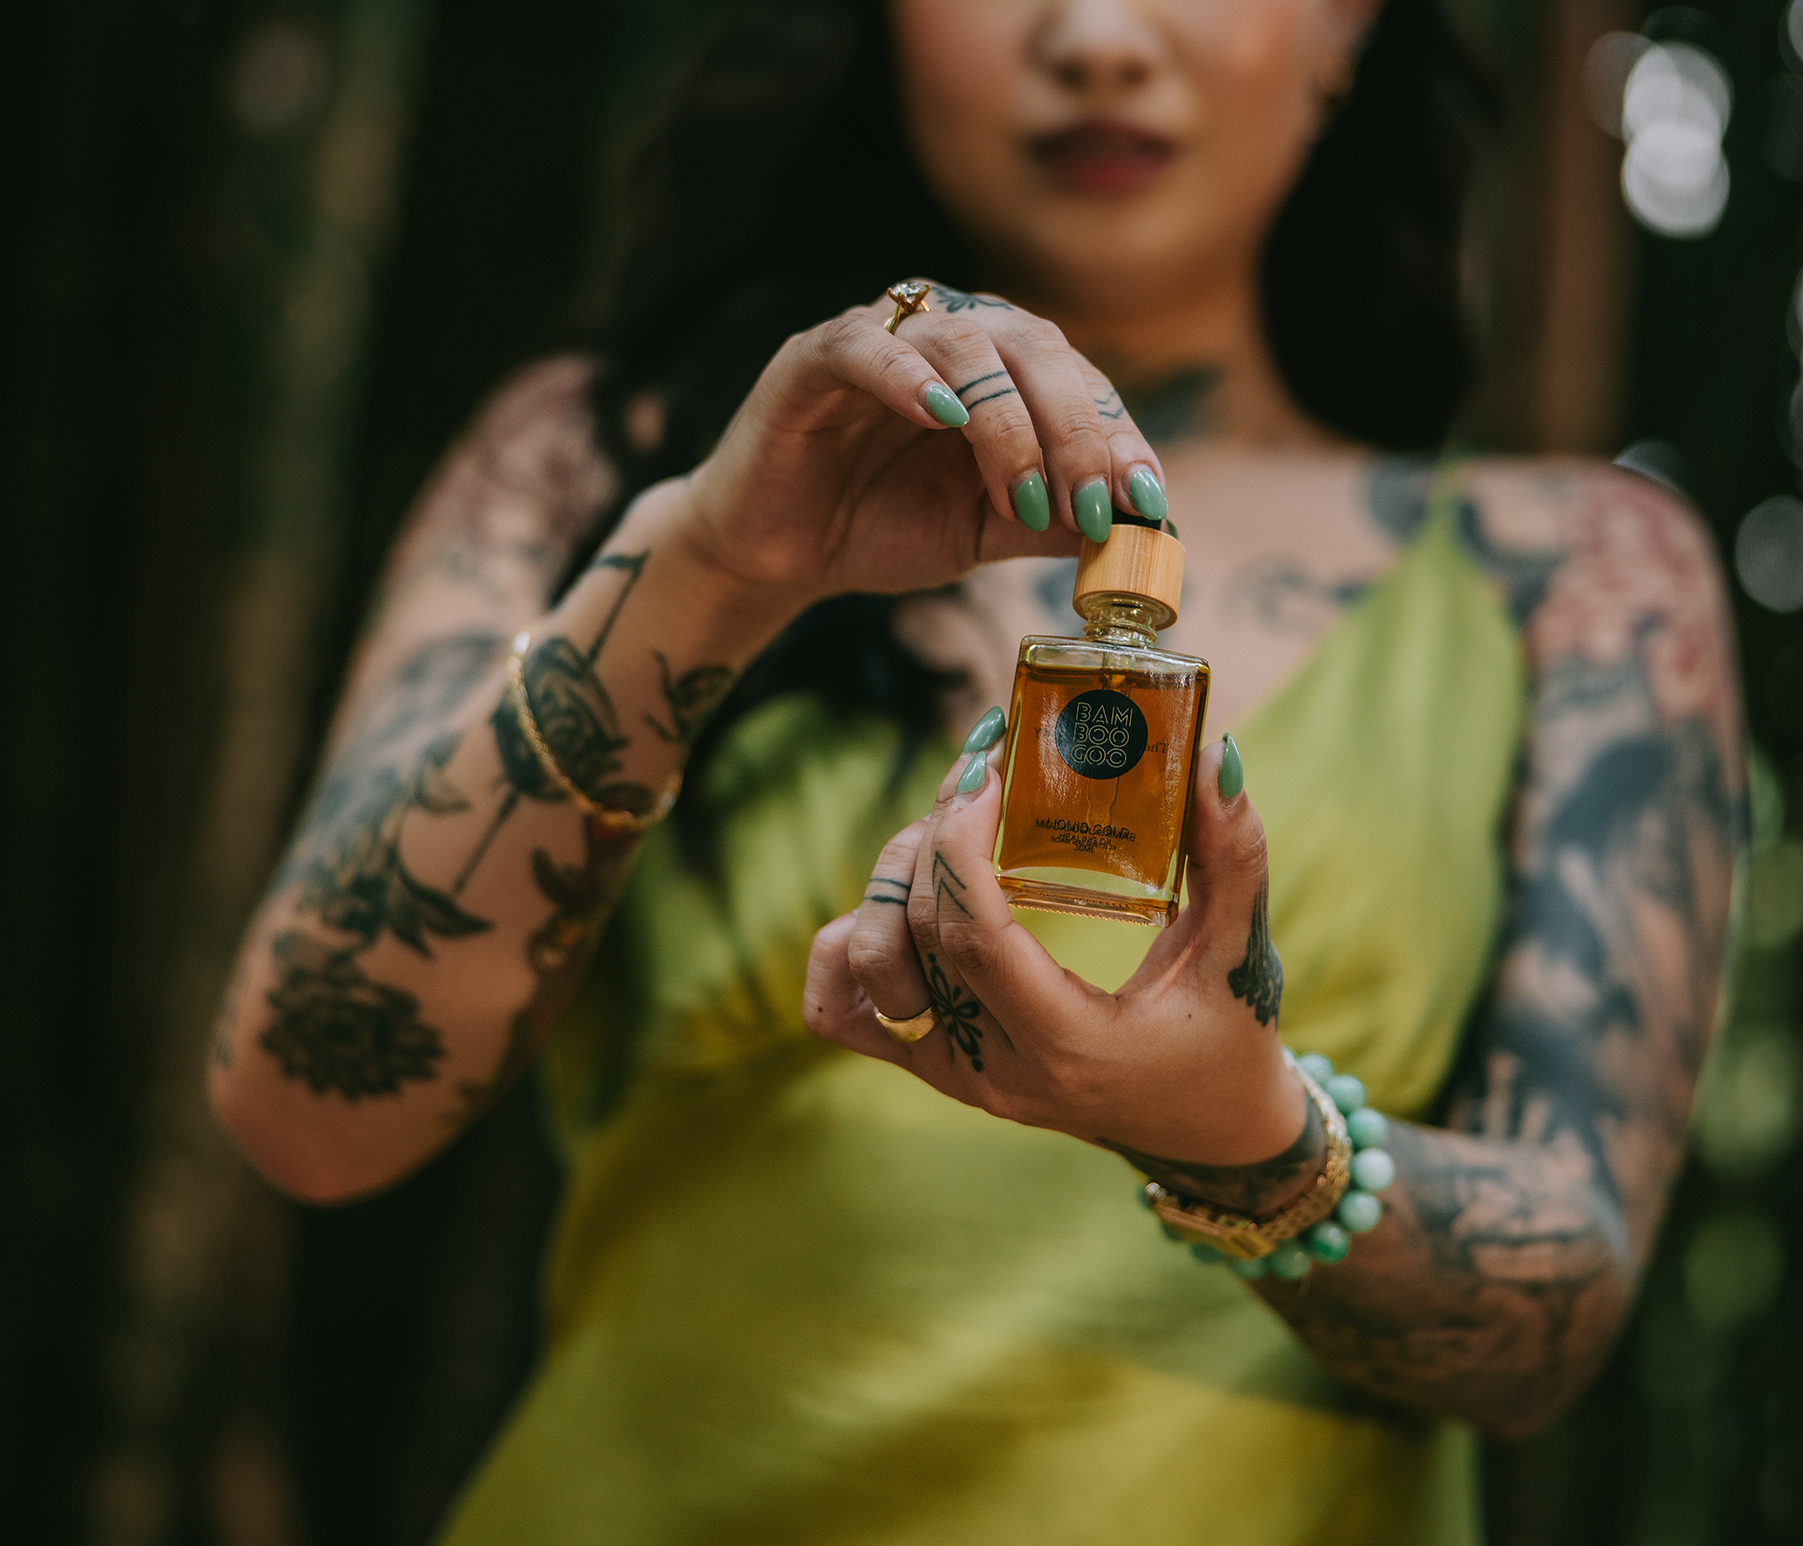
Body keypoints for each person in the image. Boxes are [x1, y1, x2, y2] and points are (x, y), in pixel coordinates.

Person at [208, 0, 1744, 1540]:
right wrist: (707, 570)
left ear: (1346, 24)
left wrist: (1258, 1142)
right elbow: (305, 1107)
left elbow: (1552, 1318)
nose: (1095, 36)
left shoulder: (1580, 577)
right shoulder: (600, 462)